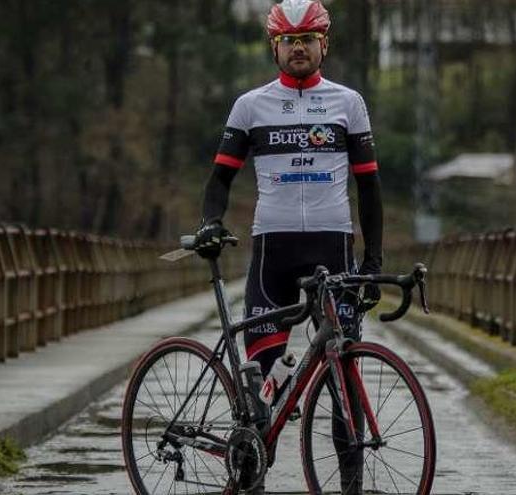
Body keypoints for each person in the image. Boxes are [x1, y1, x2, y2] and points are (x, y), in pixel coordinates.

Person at [194, 0, 383, 493]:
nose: (298, 48)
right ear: (274, 47)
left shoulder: (349, 102)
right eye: (288, 40)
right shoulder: (250, 105)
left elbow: (370, 188)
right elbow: (219, 178)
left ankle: (350, 486)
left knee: (345, 380)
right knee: (259, 378)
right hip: (272, 253)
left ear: (325, 43)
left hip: (334, 249)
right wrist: (211, 221)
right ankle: (251, 469)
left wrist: (374, 260)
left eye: (307, 39)